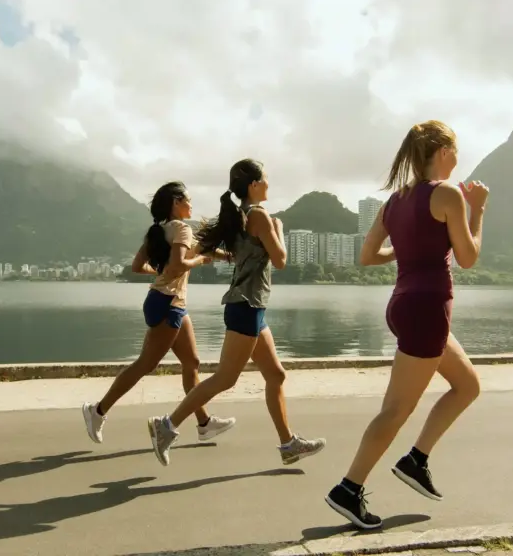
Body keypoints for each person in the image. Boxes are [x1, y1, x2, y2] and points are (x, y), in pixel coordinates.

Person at [325, 120, 488, 529]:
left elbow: (367, 255)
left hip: (403, 304)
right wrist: (479, 210)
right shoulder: (448, 195)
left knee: (467, 385)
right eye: (455, 149)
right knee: (396, 409)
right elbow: (468, 258)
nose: (458, 157)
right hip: (428, 308)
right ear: (441, 150)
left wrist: (407, 254)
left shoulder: (394, 202)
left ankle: (416, 460)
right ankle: (348, 487)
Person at [145, 159, 327, 467]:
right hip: (246, 307)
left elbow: (212, 249)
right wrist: (280, 228)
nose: (269, 184)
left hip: (251, 306)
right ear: (254, 185)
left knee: (275, 374)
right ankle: (166, 426)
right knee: (225, 378)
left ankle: (288, 445)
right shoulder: (259, 216)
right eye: (265, 180)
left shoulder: (240, 215)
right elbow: (280, 260)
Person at [82, 181, 236, 445]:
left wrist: (232, 256)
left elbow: (137, 266)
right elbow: (179, 265)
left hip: (165, 300)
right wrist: (196, 263)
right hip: (168, 303)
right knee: (146, 363)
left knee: (192, 363)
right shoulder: (182, 229)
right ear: (176, 202)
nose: (191, 203)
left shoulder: (160, 230)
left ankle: (204, 423)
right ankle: (97, 411)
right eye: (187, 199)